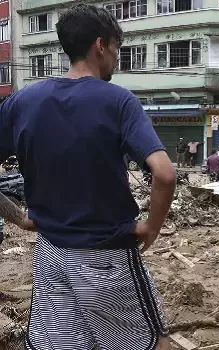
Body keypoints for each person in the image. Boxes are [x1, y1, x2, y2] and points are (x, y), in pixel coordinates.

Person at [0, 4, 176, 349]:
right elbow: (165, 175)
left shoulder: (23, 101)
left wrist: (19, 218)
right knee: (152, 342)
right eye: (116, 49)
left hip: (50, 255)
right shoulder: (119, 101)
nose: (115, 58)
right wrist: (152, 227)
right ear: (100, 45)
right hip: (108, 258)